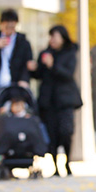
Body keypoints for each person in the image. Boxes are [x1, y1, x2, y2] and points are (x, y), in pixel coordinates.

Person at [32, 25, 81, 177]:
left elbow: (68, 74)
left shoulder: (70, 53)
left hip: (65, 101)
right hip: (48, 101)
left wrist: (53, 65)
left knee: (66, 131)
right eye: (51, 36)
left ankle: (66, 162)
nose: (52, 39)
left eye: (55, 36)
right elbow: (39, 75)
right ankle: (54, 166)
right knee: (51, 135)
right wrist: (33, 68)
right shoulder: (45, 54)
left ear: (63, 38)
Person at [0, 89, 48, 180]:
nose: (17, 108)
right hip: (10, 145)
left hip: (27, 145)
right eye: (15, 105)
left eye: (20, 105)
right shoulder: (6, 118)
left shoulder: (29, 118)